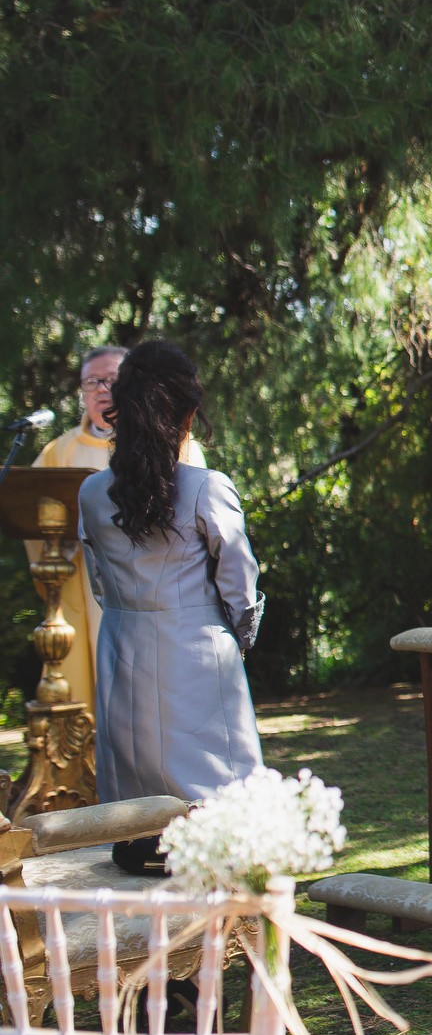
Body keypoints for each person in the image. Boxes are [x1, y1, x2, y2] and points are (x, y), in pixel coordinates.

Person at [76, 341, 261, 870]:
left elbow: (98, 583)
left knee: (136, 771)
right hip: (196, 648)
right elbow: (240, 583)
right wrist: (236, 640)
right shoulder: (206, 488)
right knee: (210, 784)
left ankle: (137, 844)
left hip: (121, 642)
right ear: (184, 413)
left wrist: (128, 616)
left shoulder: (91, 492)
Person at [30, 345, 206, 719]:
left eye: (112, 379)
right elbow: (29, 516)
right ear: (81, 390)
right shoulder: (57, 453)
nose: (102, 389)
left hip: (155, 591)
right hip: (80, 585)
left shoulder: (175, 444)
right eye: (92, 381)